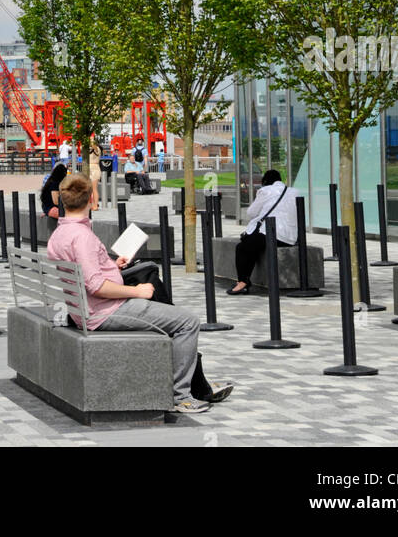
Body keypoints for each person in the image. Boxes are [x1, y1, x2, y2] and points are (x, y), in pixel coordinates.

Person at [47, 174, 233, 415]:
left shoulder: (60, 234)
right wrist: (136, 291)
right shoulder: (82, 237)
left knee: (158, 295)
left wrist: (112, 265)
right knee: (188, 322)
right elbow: (96, 286)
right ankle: (181, 395)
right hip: (104, 312)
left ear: (63, 200)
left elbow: (87, 273)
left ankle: (196, 383)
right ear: (92, 199)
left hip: (85, 309)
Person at [226, 167, 297, 295]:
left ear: (265, 181)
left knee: (241, 248)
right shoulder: (295, 192)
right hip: (291, 238)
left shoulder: (265, 191)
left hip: (272, 234)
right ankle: (244, 282)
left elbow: (251, 212)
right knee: (252, 244)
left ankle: (242, 282)